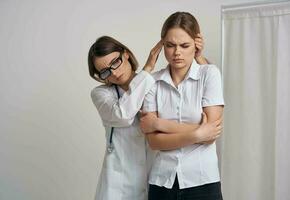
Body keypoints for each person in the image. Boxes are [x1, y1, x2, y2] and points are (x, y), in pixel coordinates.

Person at [87, 34, 221, 200]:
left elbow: (204, 84)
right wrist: (148, 67)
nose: (114, 72)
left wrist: (197, 55)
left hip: (155, 181)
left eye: (115, 62)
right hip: (118, 186)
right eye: (105, 71)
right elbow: (123, 114)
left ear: (126, 54)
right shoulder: (101, 94)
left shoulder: (154, 83)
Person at [141, 12, 224, 200]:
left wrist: (158, 124)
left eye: (184, 45)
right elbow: (154, 142)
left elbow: (211, 135)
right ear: (162, 45)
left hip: (203, 181)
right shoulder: (152, 82)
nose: (177, 52)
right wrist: (197, 134)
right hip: (162, 181)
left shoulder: (210, 75)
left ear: (196, 44)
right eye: (170, 45)